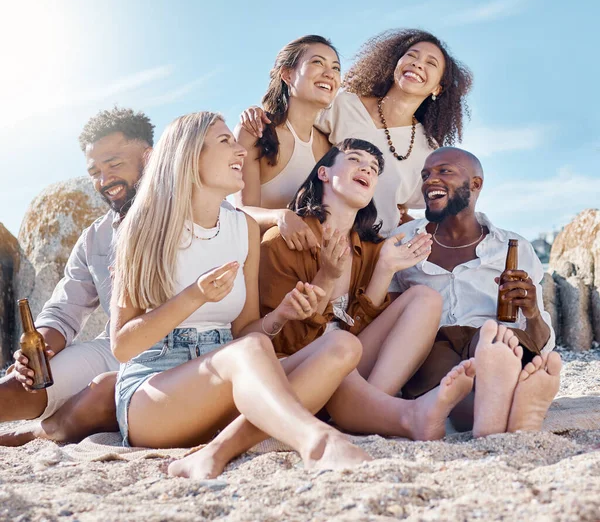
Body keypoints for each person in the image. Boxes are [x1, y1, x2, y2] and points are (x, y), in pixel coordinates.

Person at [172, 139, 476, 481]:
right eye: (355, 160)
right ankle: (386, 414)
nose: (367, 169)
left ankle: (370, 407)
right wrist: (326, 278)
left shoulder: (372, 250)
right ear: (323, 174)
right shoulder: (281, 242)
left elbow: (361, 338)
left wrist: (384, 271)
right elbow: (276, 343)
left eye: (374, 169)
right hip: (301, 371)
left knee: (425, 299)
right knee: (338, 349)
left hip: (350, 369)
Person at [112, 111, 372, 476]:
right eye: (225, 142)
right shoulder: (142, 228)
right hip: (154, 395)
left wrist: (280, 316)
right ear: (189, 155)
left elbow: (246, 332)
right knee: (249, 352)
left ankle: (216, 451)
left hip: (228, 382)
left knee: (343, 347)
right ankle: (317, 442)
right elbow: (122, 346)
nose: (239, 150)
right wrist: (194, 296)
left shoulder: (244, 228)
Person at [0, 107, 153, 446]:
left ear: (149, 156)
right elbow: (64, 310)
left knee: (101, 393)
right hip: (116, 346)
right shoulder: (95, 238)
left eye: (114, 165)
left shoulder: (194, 212)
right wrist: (38, 347)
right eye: (95, 171)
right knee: (25, 380)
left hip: (186, 349)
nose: (104, 180)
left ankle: (36, 433)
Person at [388, 147, 561, 436]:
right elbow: (389, 312)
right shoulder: (403, 241)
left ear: (476, 184)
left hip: (495, 338)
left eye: (444, 171)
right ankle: (511, 414)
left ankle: (503, 385)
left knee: (493, 338)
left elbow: (543, 342)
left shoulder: (511, 247)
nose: (430, 180)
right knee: (450, 385)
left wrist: (531, 312)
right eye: (426, 174)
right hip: (431, 343)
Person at [239, 29, 473, 235]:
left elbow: (409, 209)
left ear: (437, 87)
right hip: (323, 239)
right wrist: (259, 112)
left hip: (377, 252)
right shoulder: (344, 105)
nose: (418, 63)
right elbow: (298, 111)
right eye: (411, 55)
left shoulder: (429, 150)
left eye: (431, 63)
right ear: (395, 63)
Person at [234, 35, 340, 252]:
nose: (329, 73)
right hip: (259, 259)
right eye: (317, 62)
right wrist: (279, 216)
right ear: (287, 74)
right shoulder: (257, 131)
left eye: (336, 68)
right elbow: (241, 211)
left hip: (309, 265)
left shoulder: (330, 147)